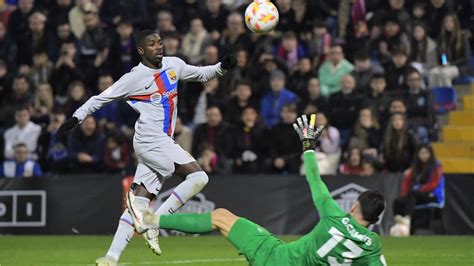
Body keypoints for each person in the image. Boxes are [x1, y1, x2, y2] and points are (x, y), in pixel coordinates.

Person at [56, 30, 237, 265]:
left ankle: (110, 257)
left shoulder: (173, 65)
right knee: (199, 177)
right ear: (141, 50)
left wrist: (222, 66)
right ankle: (154, 221)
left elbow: (202, 74)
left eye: (160, 42)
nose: (159, 47)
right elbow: (99, 98)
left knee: (138, 202)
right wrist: (77, 118)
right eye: (152, 44)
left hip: (161, 142)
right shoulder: (134, 78)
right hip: (150, 140)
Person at [139, 114, 387, 266]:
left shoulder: (334, 214)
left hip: (276, 258)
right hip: (280, 253)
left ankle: (152, 219)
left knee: (219, 217)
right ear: (375, 220)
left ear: (353, 205)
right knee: (224, 217)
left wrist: (308, 145)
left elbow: (314, 179)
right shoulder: (371, 245)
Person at [390, 144, 444, 236]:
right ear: (418, 155)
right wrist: (404, 196)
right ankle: (399, 222)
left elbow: (433, 184)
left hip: (433, 195)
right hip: (417, 196)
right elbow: (406, 182)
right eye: (421, 153)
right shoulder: (415, 167)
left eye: (426, 153)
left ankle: (407, 219)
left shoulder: (436, 166)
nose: (424, 155)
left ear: (431, 154)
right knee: (398, 201)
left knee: (413, 193)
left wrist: (419, 189)